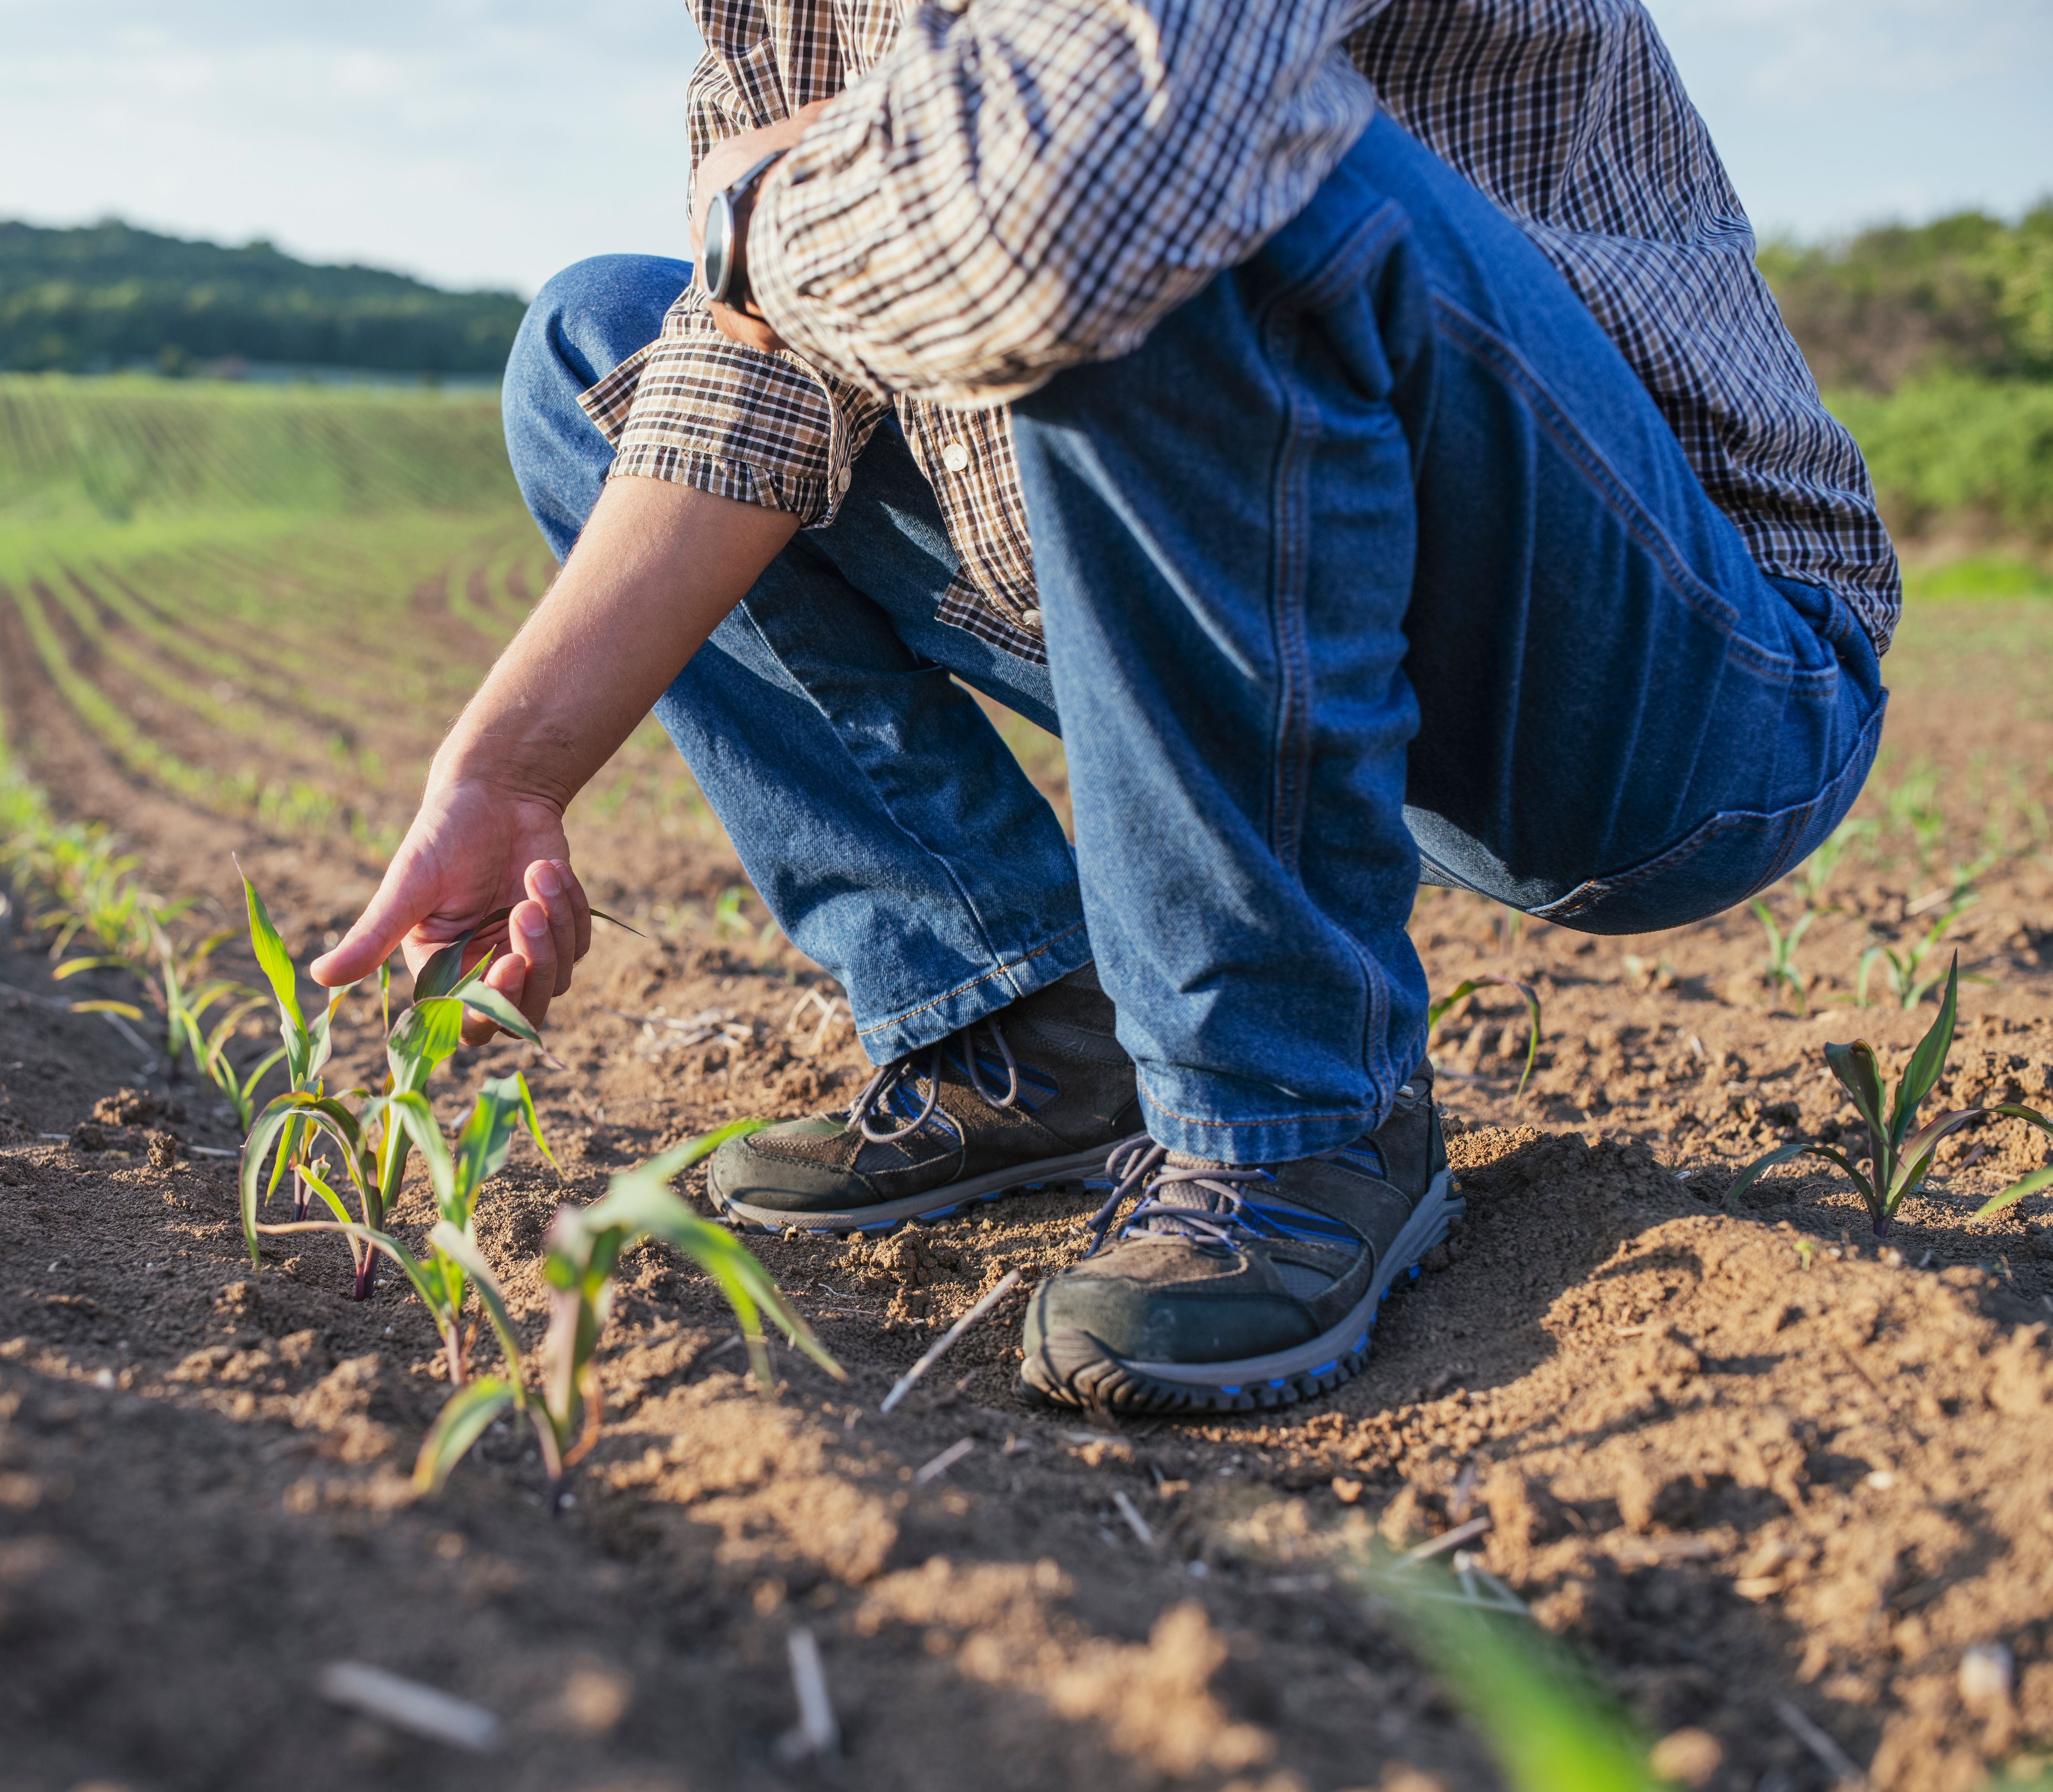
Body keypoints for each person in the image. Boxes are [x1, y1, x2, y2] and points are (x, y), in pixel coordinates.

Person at [313, 0, 1892, 1416]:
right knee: (599, 348)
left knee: (1183, 192)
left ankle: (1292, 1109)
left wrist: (761, 225)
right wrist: (507, 768)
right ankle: (1023, 1027)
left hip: (1663, 690)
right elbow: (752, 361)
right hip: (1258, 606)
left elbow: (1112, 159)